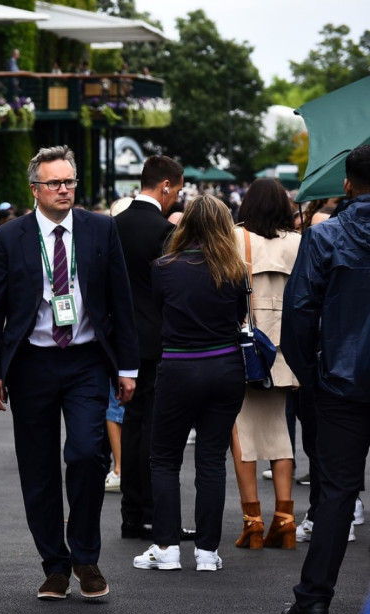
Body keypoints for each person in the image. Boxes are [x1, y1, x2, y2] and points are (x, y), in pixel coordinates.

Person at [0, 145, 138, 601]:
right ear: (35, 189)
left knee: (88, 454)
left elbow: (120, 301)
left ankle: (86, 557)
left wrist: (127, 368)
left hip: (87, 360)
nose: (65, 189)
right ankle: (55, 565)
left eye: (70, 182)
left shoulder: (101, 229)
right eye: (55, 183)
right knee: (38, 467)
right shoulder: (9, 237)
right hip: (32, 363)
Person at [279, 144, 370, 614]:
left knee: (335, 496)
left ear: (348, 185)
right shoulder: (325, 237)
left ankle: (313, 605)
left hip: (339, 382)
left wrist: (311, 375)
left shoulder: (327, 237)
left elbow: (297, 316)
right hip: (338, 378)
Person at [132, 195, 247, 573]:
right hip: (226, 366)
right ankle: (207, 552)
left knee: (164, 458)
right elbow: (239, 317)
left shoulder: (164, 268)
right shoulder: (235, 270)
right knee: (212, 459)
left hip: (179, 365)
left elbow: (163, 311)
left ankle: (165, 547)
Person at [229, 178, 301, 550]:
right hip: (287, 345)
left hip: (247, 346)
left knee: (241, 432)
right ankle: (285, 520)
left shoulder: (236, 238)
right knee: (281, 432)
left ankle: (252, 521)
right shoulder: (298, 241)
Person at [113, 155, 181, 540]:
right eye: (177, 189)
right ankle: (149, 513)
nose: (176, 199)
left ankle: (131, 515)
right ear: (166, 185)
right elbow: (168, 288)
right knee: (153, 431)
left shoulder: (112, 227)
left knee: (130, 425)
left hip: (120, 340)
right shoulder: (162, 230)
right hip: (157, 340)